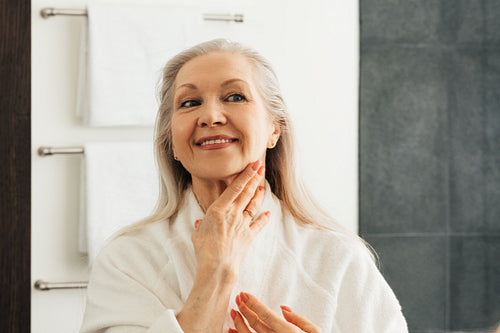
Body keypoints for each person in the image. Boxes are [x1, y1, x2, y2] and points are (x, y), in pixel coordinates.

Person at [80, 39, 408, 333]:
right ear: (173, 144)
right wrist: (215, 272)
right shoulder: (128, 259)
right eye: (189, 103)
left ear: (274, 129)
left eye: (235, 96)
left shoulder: (337, 258)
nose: (210, 116)